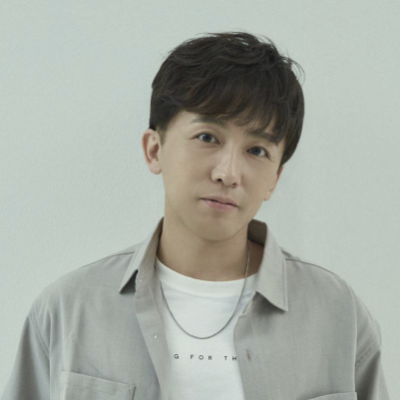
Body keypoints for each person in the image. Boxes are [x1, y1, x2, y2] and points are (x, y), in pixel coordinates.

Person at [1, 31, 390, 400]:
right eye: (207, 137)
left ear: (274, 178)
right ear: (155, 150)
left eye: (257, 150)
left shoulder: (337, 314)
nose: (228, 173)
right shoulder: (68, 309)